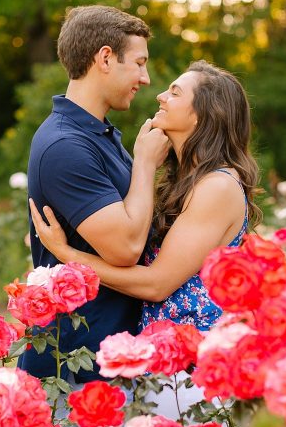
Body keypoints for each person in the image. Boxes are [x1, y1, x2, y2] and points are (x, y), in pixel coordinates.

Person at [29, 60, 261, 335]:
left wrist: (66, 253)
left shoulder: (217, 187)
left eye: (175, 93)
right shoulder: (187, 180)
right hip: (165, 350)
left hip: (194, 359)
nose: (160, 96)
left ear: (204, 114)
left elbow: (156, 284)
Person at [18, 5, 171, 383]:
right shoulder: (65, 145)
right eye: (138, 63)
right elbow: (124, 248)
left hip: (107, 358)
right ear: (105, 58)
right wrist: (145, 164)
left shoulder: (97, 134)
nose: (145, 78)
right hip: (74, 369)